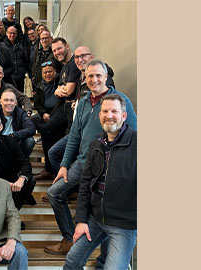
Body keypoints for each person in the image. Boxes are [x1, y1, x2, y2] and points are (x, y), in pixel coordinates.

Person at [44, 60, 137, 256]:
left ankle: (104, 261)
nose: (94, 79)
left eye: (98, 75)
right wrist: (63, 165)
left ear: (105, 77)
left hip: (110, 166)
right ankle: (69, 237)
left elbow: (135, 134)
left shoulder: (120, 100)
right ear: (85, 79)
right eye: (90, 76)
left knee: (106, 212)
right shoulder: (84, 101)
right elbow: (75, 136)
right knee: (54, 193)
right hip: (83, 162)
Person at [64, 94, 136, 270]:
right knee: (72, 261)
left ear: (124, 116)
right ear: (99, 115)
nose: (109, 115)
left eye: (114, 111)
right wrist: (81, 220)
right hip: (96, 219)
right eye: (105, 111)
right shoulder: (96, 144)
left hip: (123, 224)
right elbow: (86, 184)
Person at [47, 46, 117, 174]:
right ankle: (69, 184)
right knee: (54, 153)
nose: (79, 60)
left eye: (83, 56)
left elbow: (106, 99)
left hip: (94, 135)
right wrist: (78, 103)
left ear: (92, 57)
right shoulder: (81, 77)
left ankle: (72, 185)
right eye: (77, 57)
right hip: (77, 127)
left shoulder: (104, 80)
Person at [32, 62, 67, 181]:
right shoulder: (39, 86)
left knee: (47, 131)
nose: (47, 74)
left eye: (50, 71)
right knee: (33, 120)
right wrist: (43, 113)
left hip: (59, 113)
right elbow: (36, 103)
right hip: (46, 114)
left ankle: (50, 169)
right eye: (45, 72)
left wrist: (51, 116)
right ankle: (47, 135)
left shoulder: (61, 82)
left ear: (55, 72)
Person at [0, 89, 36, 158]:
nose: (9, 103)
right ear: (0, 102)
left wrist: (13, 136)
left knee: (30, 141)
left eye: (11, 100)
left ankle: (21, 161)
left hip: (15, 144)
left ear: (15, 103)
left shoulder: (21, 113)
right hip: (0, 145)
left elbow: (31, 129)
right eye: (6, 100)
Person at [2, 26, 27, 92]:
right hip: (9, 78)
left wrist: (23, 71)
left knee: (20, 97)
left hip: (20, 78)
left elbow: (24, 60)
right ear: (6, 33)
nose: (12, 35)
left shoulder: (20, 46)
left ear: (16, 34)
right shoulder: (2, 46)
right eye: (10, 33)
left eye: (14, 33)